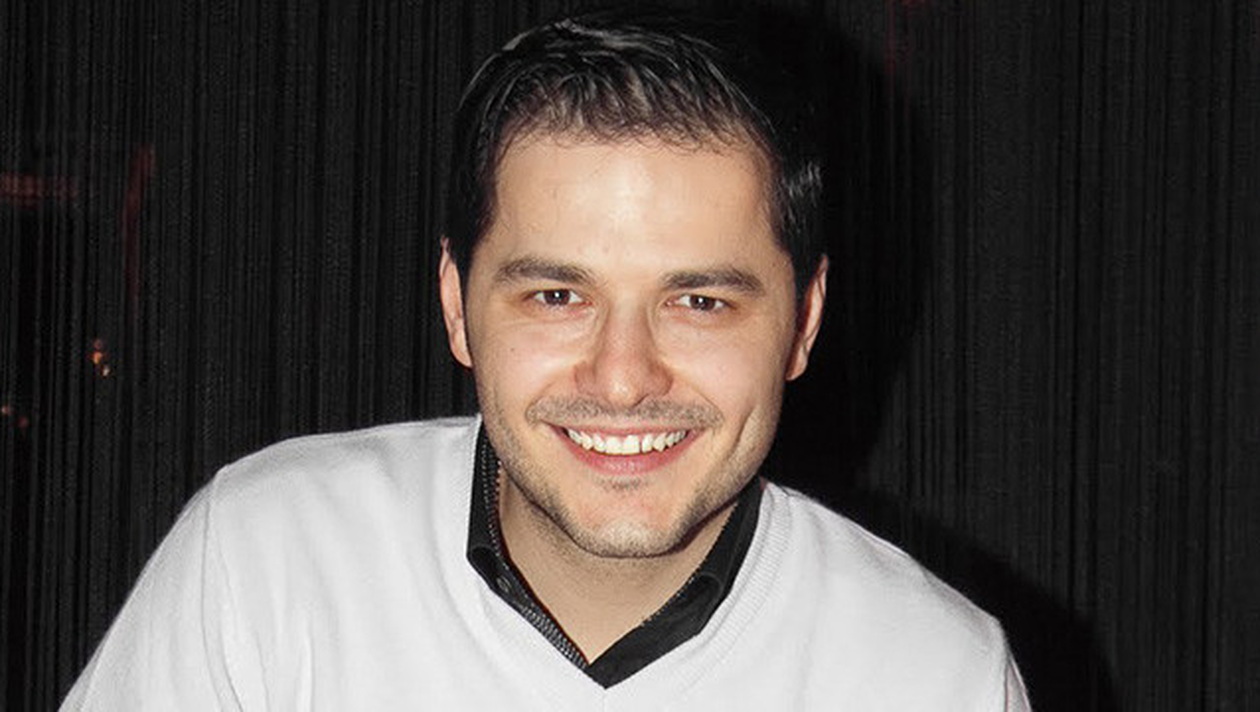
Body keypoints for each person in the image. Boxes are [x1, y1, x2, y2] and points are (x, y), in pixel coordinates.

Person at [63, 11, 1030, 710]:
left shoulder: (933, 674)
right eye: (558, 297)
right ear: (457, 306)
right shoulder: (267, 560)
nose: (623, 378)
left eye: (699, 302)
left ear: (804, 321)